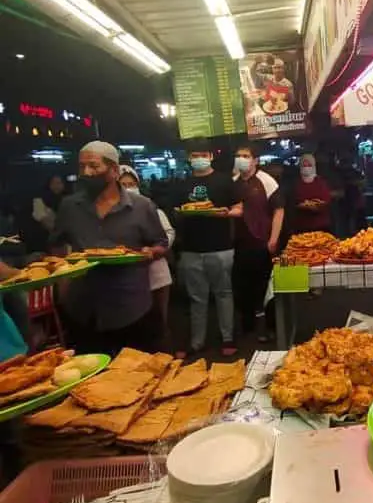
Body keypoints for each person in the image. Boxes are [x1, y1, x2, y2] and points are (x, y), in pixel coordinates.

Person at [52, 141, 169, 355]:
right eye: (82, 167)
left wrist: (151, 252)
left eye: (94, 166)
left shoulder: (142, 206)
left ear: (114, 170)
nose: (86, 172)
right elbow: (57, 246)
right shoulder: (69, 207)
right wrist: (62, 278)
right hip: (84, 310)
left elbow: (161, 242)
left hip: (131, 306)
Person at [175, 140, 242, 358]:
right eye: (194, 155)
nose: (199, 158)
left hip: (220, 247)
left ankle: (228, 337)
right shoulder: (182, 183)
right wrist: (180, 213)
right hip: (190, 249)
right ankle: (197, 341)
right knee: (197, 298)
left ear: (211, 156)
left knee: (224, 293)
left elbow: (239, 208)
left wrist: (224, 213)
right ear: (189, 158)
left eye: (203, 154)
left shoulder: (224, 181)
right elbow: (176, 211)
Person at [119, 166, 175, 351]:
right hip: (128, 278)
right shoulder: (111, 216)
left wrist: (154, 250)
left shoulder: (150, 208)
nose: (128, 188)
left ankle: (164, 356)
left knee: (160, 319)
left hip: (156, 273)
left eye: (132, 184)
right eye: (123, 184)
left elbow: (168, 233)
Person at [232, 145, 284, 340]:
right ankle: (248, 327)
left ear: (255, 160)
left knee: (266, 289)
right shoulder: (234, 182)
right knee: (242, 288)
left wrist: (274, 238)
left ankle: (270, 329)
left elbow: (279, 210)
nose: (241, 159)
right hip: (239, 244)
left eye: (246, 156)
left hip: (262, 242)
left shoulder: (266, 180)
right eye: (238, 155)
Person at [293, 154, 332, 233]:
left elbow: (327, 199)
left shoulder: (321, 182)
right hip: (302, 225)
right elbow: (293, 201)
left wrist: (317, 205)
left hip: (321, 224)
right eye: (304, 165)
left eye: (309, 165)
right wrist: (304, 206)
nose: (306, 168)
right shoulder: (296, 183)